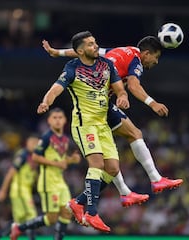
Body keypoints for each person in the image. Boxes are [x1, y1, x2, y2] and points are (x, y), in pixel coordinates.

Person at [42, 36, 183, 205]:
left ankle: (117, 194)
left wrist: (57, 52)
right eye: (156, 57)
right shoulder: (136, 60)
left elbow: (83, 52)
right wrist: (152, 103)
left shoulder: (120, 50)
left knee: (112, 163)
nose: (156, 62)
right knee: (132, 136)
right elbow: (133, 85)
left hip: (100, 102)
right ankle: (153, 180)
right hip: (97, 105)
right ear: (146, 53)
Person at [35, 31, 131, 233]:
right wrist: (46, 102)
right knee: (97, 164)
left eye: (95, 42)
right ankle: (92, 213)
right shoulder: (72, 68)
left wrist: (122, 96)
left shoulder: (107, 64)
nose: (95, 46)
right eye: (90, 44)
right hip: (83, 124)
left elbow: (119, 88)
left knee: (112, 169)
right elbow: (56, 89)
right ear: (80, 51)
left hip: (103, 125)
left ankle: (78, 203)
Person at [10, 108, 81, 240]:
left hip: (60, 182)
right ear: (49, 120)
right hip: (48, 183)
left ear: (65, 120)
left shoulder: (64, 139)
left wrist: (71, 160)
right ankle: (19, 228)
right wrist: (57, 164)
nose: (58, 120)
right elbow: (36, 157)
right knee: (51, 218)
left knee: (67, 212)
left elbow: (60, 161)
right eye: (54, 118)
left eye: (60, 117)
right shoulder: (46, 137)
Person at [0, 136, 39, 240]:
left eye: (36, 143)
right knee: (31, 215)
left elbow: (33, 175)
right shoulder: (23, 155)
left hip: (25, 190)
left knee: (19, 220)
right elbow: (11, 173)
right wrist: (3, 190)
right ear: (27, 143)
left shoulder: (35, 156)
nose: (34, 144)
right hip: (20, 190)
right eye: (31, 142)